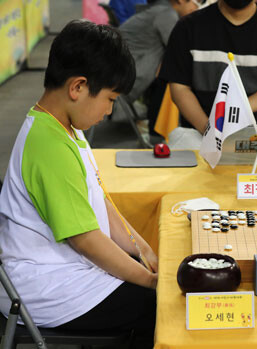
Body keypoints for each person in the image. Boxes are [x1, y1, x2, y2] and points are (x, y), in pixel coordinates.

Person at [0, 20, 157, 348]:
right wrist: (148, 279)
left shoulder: (65, 127)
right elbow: (85, 240)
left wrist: (144, 251)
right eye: (110, 99)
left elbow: (101, 202)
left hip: (65, 272)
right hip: (45, 287)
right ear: (78, 87)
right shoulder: (48, 145)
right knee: (156, 305)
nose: (109, 111)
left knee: (153, 287)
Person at [159, 0, 257, 134]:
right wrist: (208, 130)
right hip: (198, 135)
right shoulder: (187, 27)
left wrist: (234, 110)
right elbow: (179, 87)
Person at [119, 0, 199, 137]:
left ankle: (157, 128)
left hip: (121, 69)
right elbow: (181, 51)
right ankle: (157, 132)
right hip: (126, 75)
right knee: (173, 76)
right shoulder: (166, 14)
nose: (197, 7)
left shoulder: (158, 10)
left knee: (170, 70)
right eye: (196, 2)